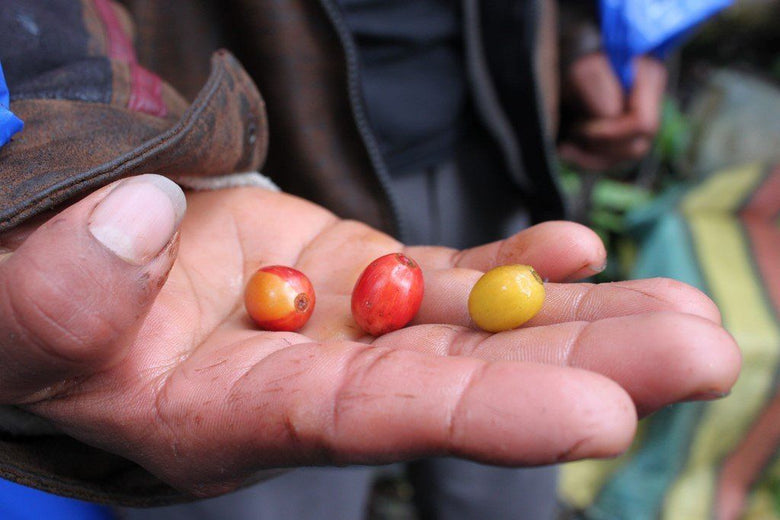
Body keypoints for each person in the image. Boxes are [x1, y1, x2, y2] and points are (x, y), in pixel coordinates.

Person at [0, 0, 738, 517]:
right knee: (262, 467)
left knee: (512, 463)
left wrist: (580, 34)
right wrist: (80, 147)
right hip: (245, 188)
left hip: (482, 155)